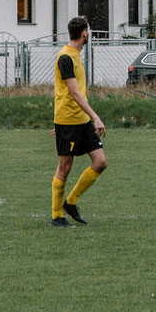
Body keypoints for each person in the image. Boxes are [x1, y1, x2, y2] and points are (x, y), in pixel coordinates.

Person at [50, 16, 107, 226]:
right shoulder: (65, 57)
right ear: (84, 33)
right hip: (69, 121)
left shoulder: (75, 55)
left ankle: (71, 201)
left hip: (81, 120)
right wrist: (95, 116)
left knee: (100, 162)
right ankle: (57, 215)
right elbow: (73, 93)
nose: (89, 34)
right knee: (64, 167)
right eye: (89, 30)